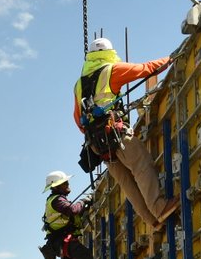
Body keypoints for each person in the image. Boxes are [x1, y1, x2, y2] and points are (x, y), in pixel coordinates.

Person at [74, 37, 174, 228]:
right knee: (141, 165)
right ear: (109, 52)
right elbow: (145, 69)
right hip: (115, 133)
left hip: (97, 145)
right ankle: (160, 208)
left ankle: (151, 219)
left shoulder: (78, 85)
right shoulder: (111, 70)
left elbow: (78, 119)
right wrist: (170, 59)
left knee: (126, 182)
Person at [40, 170, 113, 259]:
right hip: (63, 241)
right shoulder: (57, 200)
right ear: (56, 187)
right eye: (64, 183)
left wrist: (83, 207)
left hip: (58, 244)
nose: (68, 184)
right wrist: (84, 201)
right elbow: (73, 210)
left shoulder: (54, 201)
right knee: (85, 255)